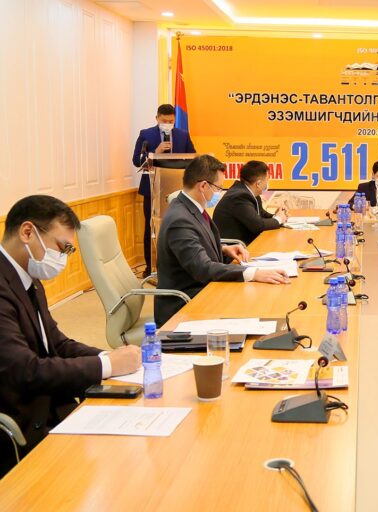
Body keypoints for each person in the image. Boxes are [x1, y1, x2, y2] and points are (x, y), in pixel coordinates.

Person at [0, 195, 141, 475]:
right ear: (27, 232)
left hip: (54, 402)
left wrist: (109, 356)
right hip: (25, 422)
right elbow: (25, 370)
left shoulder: (27, 277)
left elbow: (57, 343)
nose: (63, 258)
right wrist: (106, 365)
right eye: (62, 247)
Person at [155, 155, 290, 326]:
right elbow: (202, 268)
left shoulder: (191, 208)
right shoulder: (180, 220)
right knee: (254, 303)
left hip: (205, 290)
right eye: (218, 188)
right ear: (203, 186)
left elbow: (195, 245)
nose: (219, 193)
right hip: (185, 304)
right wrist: (253, 273)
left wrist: (224, 248)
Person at [132, 104, 197, 278]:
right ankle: (150, 267)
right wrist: (156, 152)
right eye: (164, 121)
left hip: (178, 188)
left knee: (180, 226)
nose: (168, 124)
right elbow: (137, 160)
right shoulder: (146, 134)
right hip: (152, 188)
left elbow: (193, 158)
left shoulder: (183, 135)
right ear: (157, 119)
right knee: (151, 228)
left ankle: (178, 266)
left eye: (171, 121)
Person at [212, 161, 288, 245]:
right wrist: (279, 219)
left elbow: (260, 213)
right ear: (258, 184)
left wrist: (277, 215)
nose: (267, 183)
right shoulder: (240, 197)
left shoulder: (249, 192)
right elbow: (258, 226)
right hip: (234, 247)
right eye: (267, 180)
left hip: (246, 242)